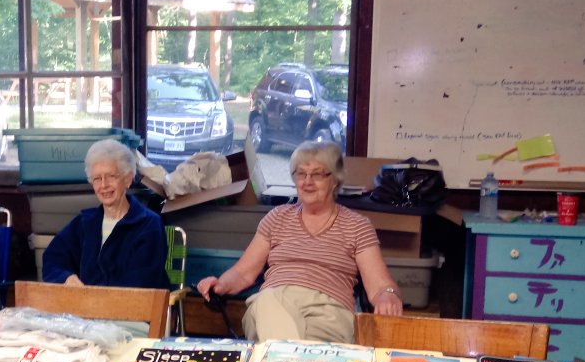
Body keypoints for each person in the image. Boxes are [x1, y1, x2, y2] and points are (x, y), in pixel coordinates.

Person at [196, 141, 403, 343]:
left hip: (327, 313)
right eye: (301, 174)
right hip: (272, 306)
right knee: (266, 302)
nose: (307, 181)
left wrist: (388, 295)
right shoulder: (277, 217)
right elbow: (243, 272)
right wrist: (221, 284)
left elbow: (380, 285)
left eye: (317, 174)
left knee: (267, 310)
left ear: (335, 179)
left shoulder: (357, 226)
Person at [42, 138, 168, 289]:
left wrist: (97, 299)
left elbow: (143, 281)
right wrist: (67, 278)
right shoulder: (84, 223)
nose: (103, 185)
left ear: (127, 179)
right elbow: (52, 258)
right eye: (97, 178)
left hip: (131, 309)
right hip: (83, 307)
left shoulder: (149, 225)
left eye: (111, 176)